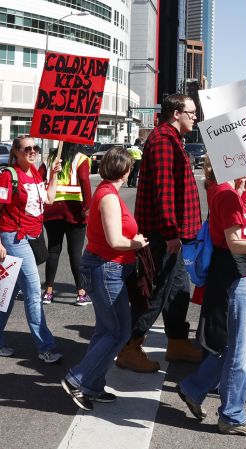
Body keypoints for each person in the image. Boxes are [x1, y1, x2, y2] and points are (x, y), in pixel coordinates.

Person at [177, 157, 246, 436]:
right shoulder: (226, 195)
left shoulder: (226, 191)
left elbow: (234, 227)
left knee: (234, 344)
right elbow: (234, 241)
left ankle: (194, 388)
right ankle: (232, 415)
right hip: (234, 275)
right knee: (238, 350)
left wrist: (242, 197)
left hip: (235, 274)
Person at [118, 94, 203, 372]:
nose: (195, 117)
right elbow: (164, 194)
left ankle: (177, 341)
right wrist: (170, 234)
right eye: (191, 112)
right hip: (163, 234)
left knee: (178, 289)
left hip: (171, 233)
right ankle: (131, 345)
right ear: (176, 113)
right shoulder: (165, 141)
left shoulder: (172, 139)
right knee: (159, 290)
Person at [62, 147, 148, 410]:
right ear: (125, 170)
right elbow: (115, 240)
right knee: (117, 332)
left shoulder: (107, 193)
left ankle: (93, 385)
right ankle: (77, 379)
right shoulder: (109, 196)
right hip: (107, 267)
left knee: (106, 331)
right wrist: (137, 243)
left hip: (106, 267)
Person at [0, 135, 63, 363]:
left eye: (35, 148)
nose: (33, 152)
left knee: (6, 293)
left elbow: (49, 199)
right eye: (27, 149)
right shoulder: (9, 175)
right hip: (15, 238)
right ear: (16, 152)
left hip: (32, 238)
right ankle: (46, 347)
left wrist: (54, 176)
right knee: (34, 293)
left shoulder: (35, 172)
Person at [43, 141, 92, 306]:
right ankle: (81, 293)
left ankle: (48, 292)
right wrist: (88, 207)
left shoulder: (50, 158)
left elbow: (38, 176)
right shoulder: (81, 158)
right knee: (75, 253)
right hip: (74, 210)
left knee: (53, 250)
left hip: (52, 208)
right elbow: (85, 181)